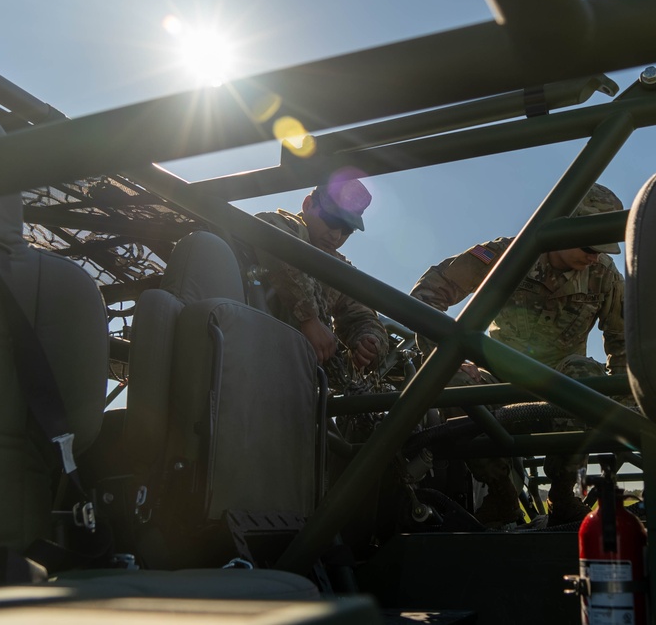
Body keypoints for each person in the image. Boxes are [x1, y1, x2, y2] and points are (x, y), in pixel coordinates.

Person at [410, 183, 627, 527]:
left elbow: (622, 342)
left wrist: (622, 405)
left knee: (585, 372)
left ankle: (563, 495)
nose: (595, 255)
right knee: (451, 379)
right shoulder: (506, 256)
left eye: (604, 249)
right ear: (562, 227)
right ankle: (501, 495)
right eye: (589, 245)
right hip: (498, 386)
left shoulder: (604, 277)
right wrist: (445, 354)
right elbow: (427, 295)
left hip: (561, 389)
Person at [255, 173, 389, 391]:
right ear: (308, 204)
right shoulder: (284, 226)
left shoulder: (340, 269)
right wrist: (309, 319)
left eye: (347, 229)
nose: (336, 235)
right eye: (332, 220)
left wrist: (370, 341)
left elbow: (361, 314)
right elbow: (268, 233)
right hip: (252, 344)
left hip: (293, 377)